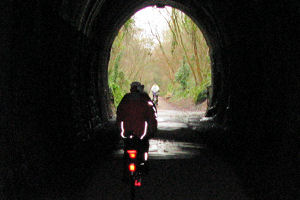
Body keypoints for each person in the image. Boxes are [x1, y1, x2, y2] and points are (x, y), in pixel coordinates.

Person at [117, 82, 157, 177]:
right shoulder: (145, 100)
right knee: (144, 149)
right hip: (141, 133)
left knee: (127, 151)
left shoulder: (125, 100)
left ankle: (126, 172)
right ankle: (144, 163)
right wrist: (152, 130)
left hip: (127, 132)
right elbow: (152, 116)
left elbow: (119, 115)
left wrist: (119, 130)